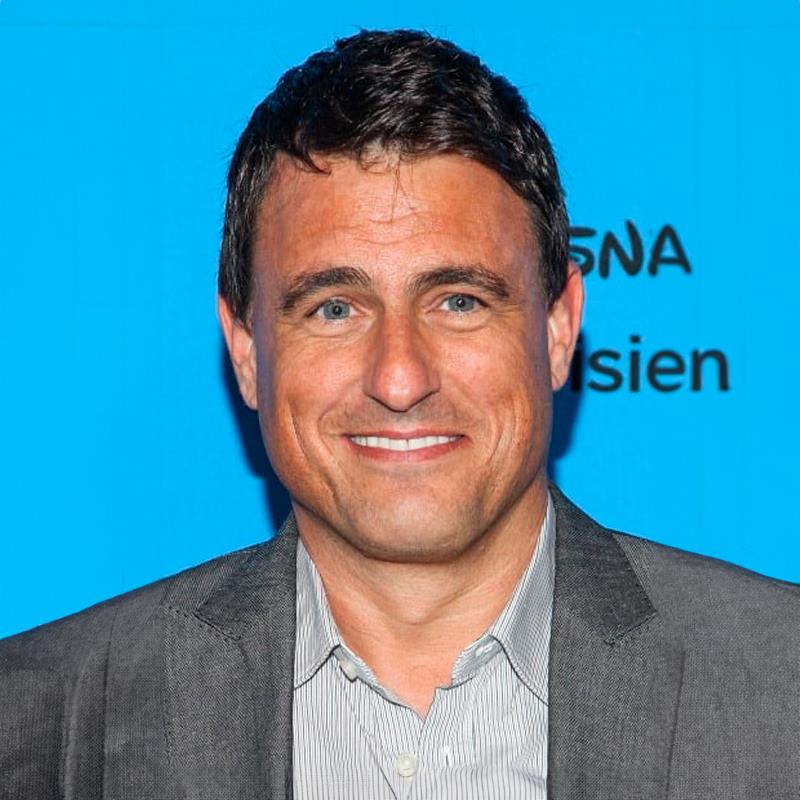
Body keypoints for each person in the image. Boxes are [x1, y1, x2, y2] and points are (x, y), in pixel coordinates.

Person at [1, 29, 798, 800]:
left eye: (459, 300)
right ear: (245, 351)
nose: (400, 378)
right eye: (334, 308)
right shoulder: (36, 724)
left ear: (559, 330)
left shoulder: (780, 687)